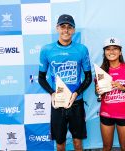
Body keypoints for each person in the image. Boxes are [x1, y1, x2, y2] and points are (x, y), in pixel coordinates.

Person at [38, 14, 92, 151]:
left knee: (78, 143)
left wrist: (77, 93)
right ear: (57, 28)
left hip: (76, 102)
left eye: (69, 27)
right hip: (58, 103)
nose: (66, 30)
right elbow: (41, 78)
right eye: (63, 27)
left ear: (73, 30)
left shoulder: (82, 49)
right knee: (60, 143)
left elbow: (88, 77)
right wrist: (52, 93)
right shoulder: (46, 50)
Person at [95, 37, 125, 151]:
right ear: (104, 53)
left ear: (120, 52)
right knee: (106, 147)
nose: (111, 52)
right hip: (106, 114)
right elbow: (97, 92)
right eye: (108, 49)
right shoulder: (101, 71)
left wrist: (123, 87)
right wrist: (98, 90)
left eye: (115, 49)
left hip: (123, 114)